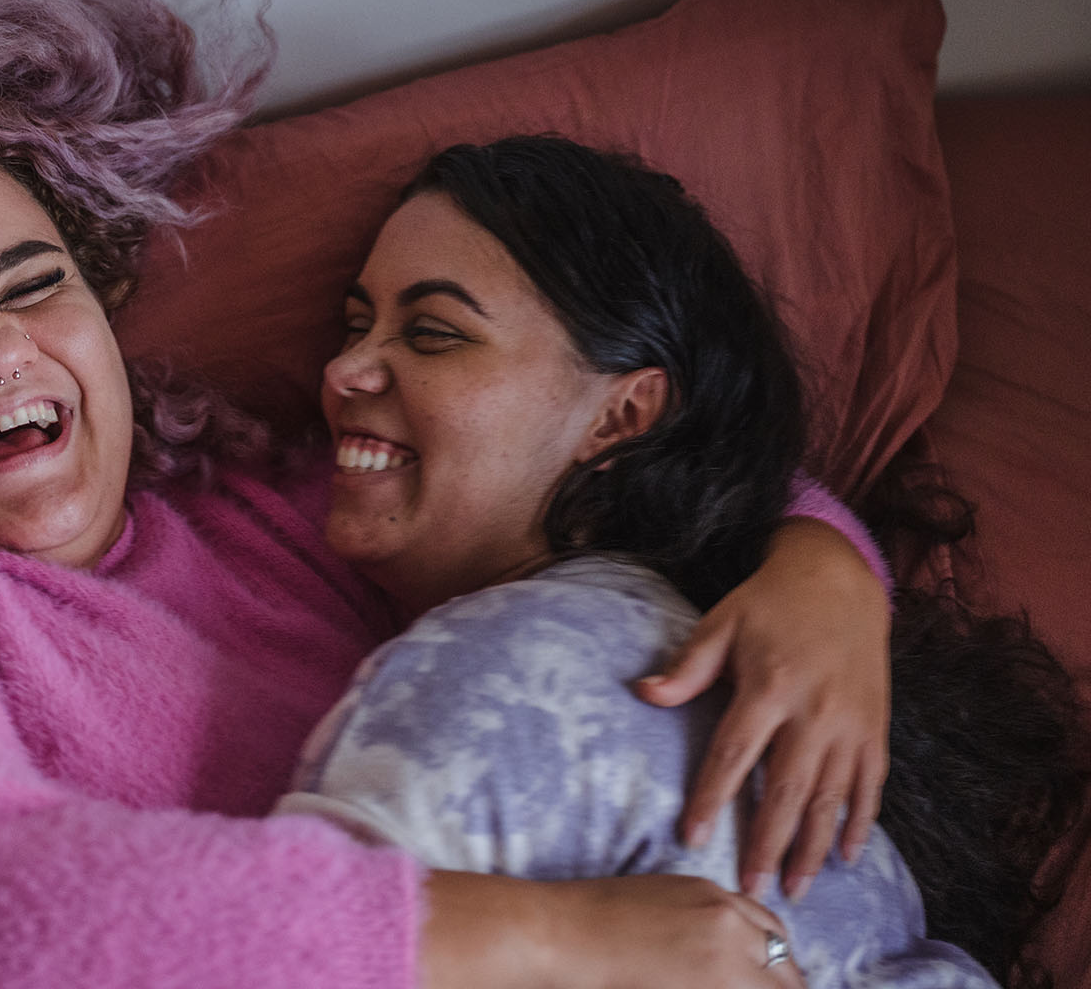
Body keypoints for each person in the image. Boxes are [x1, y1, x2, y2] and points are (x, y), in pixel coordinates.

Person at [0, 0, 896, 989]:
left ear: (109, 329)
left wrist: (822, 573)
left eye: (34, 285)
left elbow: (568, 475)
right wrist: (547, 940)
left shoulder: (281, 516)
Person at [277, 136, 1083, 988]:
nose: (343, 369)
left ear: (622, 415)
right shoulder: (684, 629)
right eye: (357, 323)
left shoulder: (496, 673)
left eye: (434, 333)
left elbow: (280, 959)